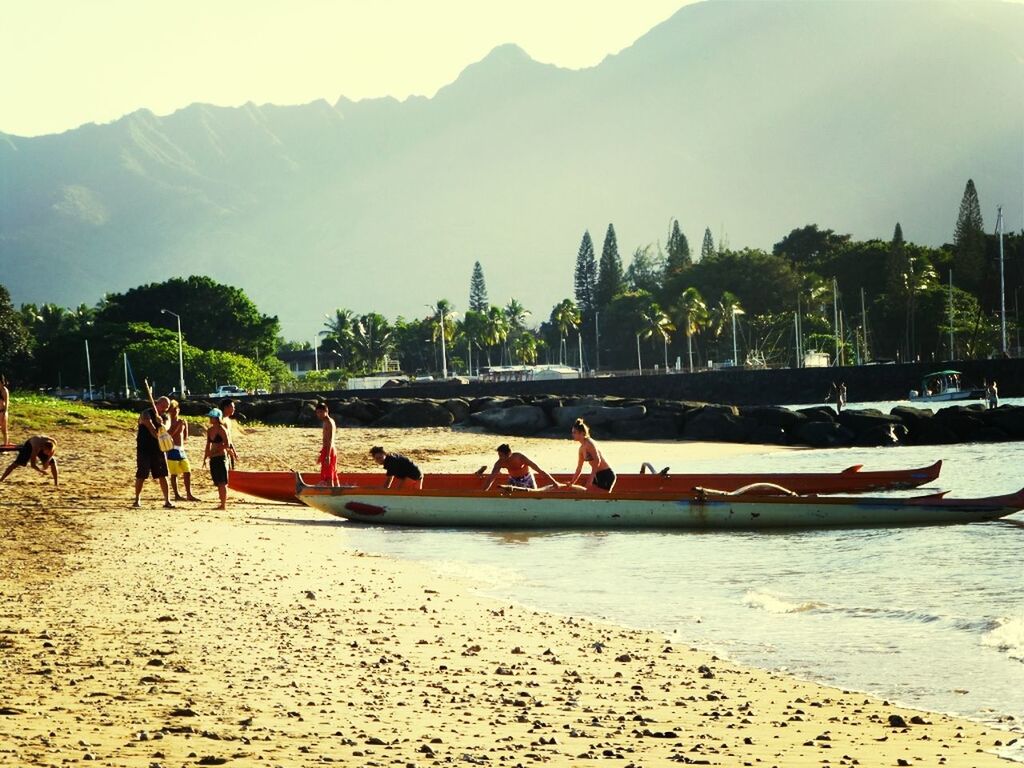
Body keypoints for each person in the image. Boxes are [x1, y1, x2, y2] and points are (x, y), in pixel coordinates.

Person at [134, 396, 173, 508]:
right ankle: (137, 499)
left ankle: (167, 500)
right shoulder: (145, 413)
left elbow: (166, 427)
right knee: (142, 474)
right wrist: (156, 424)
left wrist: (161, 424)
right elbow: (152, 431)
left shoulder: (165, 416)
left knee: (163, 474)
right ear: (157, 404)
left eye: (167, 407)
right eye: (163, 406)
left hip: (158, 449)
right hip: (144, 448)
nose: (164, 409)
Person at [568, 418, 616, 492]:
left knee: (599, 498)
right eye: (572, 432)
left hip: (606, 474)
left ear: (582, 433)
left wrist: (591, 478)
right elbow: (579, 468)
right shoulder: (581, 449)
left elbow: (597, 461)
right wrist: (572, 482)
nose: (572, 435)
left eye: (575, 432)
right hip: (597, 474)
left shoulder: (589, 443)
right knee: (588, 493)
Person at [166, 399, 201, 501]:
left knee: (187, 471)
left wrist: (183, 428)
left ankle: (189, 494)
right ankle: (177, 494)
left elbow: (185, 436)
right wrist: (177, 427)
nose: (174, 411)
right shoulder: (168, 422)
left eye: (176, 409)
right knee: (174, 473)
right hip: (172, 449)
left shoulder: (182, 421)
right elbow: (169, 435)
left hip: (181, 449)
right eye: (172, 410)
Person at [483, 443, 557, 490]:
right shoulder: (499, 463)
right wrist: (484, 492)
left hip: (527, 478)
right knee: (506, 492)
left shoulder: (519, 457)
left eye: (502, 456)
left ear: (509, 453)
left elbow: (539, 470)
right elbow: (491, 478)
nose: (500, 458)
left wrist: (554, 483)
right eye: (499, 456)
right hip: (513, 480)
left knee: (534, 496)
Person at [204, 408, 237, 510]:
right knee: (218, 482)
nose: (210, 419)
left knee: (222, 482)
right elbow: (208, 444)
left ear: (217, 418)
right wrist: (205, 456)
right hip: (213, 458)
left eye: (211, 417)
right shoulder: (210, 430)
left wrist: (217, 451)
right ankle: (221, 503)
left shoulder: (222, 429)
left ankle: (223, 504)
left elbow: (227, 444)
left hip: (221, 457)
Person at [315, 401, 338, 486]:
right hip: (327, 449)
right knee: (332, 472)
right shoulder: (326, 421)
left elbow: (330, 440)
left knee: (329, 474)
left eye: (321, 412)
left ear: (326, 411)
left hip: (330, 449)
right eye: (317, 412)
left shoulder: (329, 422)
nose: (319, 414)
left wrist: (328, 455)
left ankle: (331, 493)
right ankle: (337, 491)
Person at [0, 375, 9, 446]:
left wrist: (4, 414)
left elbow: (6, 403)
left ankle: (5, 445)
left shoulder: (4, 390)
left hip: (2, 412)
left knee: (4, 430)